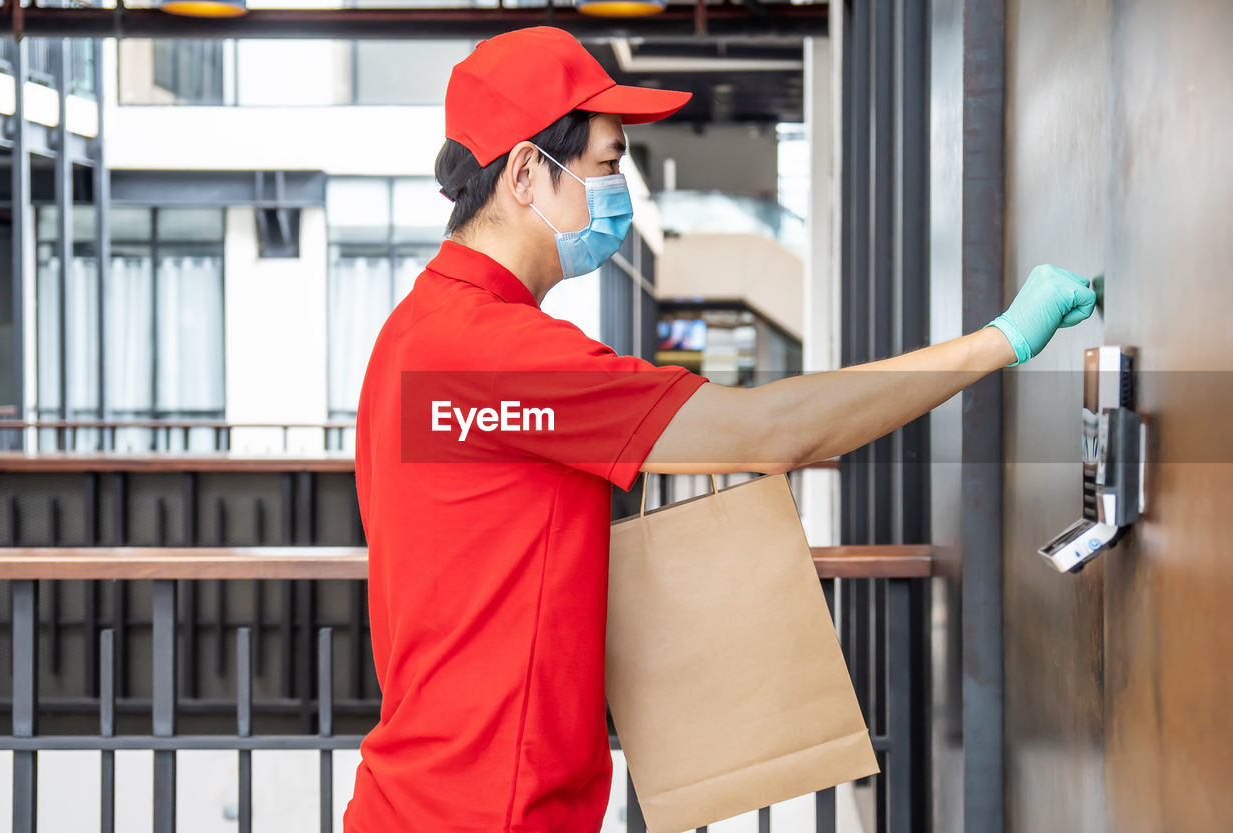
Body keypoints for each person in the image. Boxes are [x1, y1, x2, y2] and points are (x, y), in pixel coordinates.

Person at [343, 25, 1097, 833]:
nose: (618, 187)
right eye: (607, 164)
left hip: (441, 796)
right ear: (528, 171)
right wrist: (998, 341)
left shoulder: (420, 331)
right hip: (486, 811)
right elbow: (766, 433)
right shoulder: (495, 351)